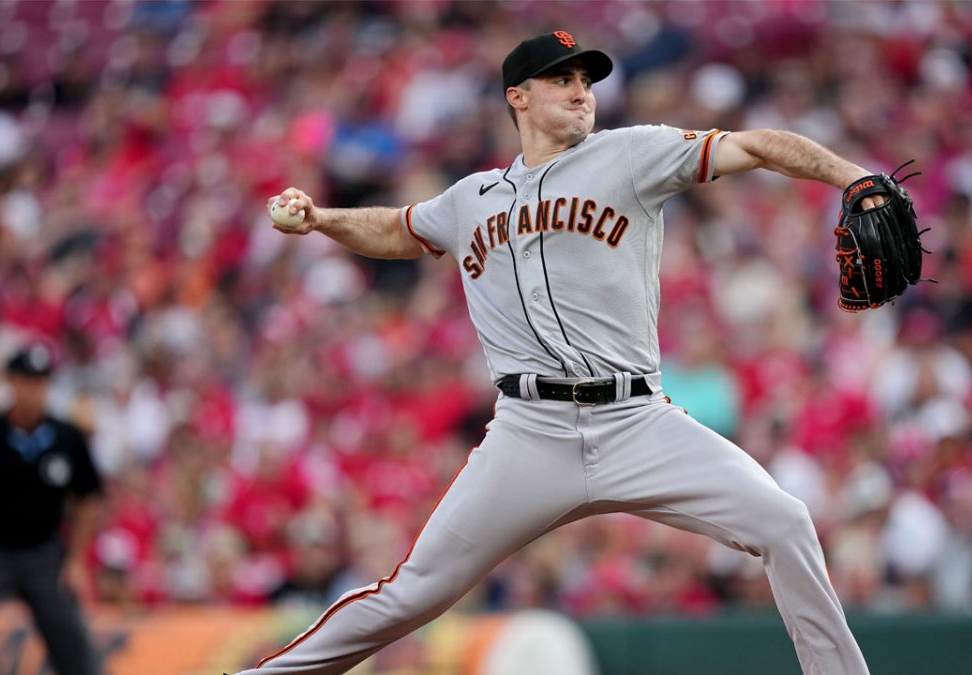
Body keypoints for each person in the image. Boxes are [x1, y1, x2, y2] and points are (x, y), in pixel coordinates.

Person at [241, 31, 875, 674]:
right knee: (413, 592)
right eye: (561, 80)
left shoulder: (632, 154)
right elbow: (400, 229)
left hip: (636, 420)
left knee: (785, 523)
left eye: (586, 82)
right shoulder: (471, 198)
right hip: (529, 431)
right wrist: (322, 218)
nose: (581, 93)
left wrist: (853, 177)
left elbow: (756, 146)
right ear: (518, 97)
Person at [0, 345, 103, 675]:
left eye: (42, 382)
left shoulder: (66, 438)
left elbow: (88, 499)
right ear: (12, 383)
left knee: (73, 640)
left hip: (44, 553)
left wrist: (75, 560)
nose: (35, 390)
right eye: (28, 381)